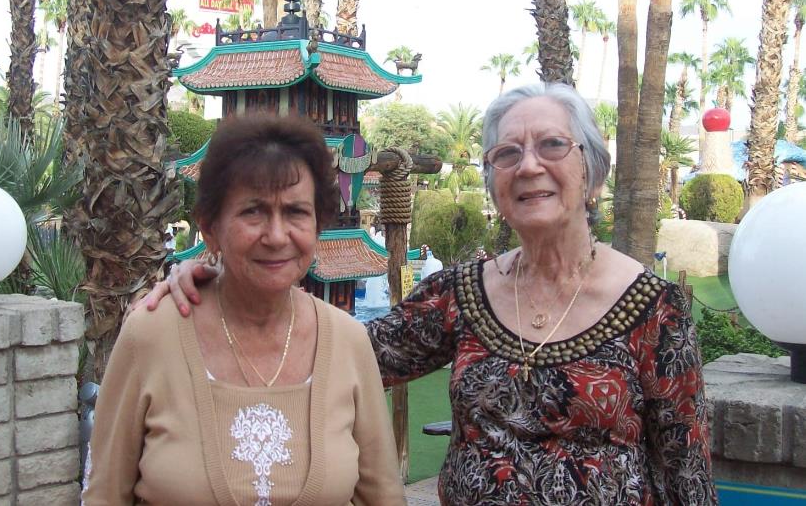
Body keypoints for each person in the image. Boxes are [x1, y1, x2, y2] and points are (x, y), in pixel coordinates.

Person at [150, 83, 717, 505]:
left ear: (591, 173)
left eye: (551, 145)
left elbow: (687, 477)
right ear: (494, 182)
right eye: (507, 154)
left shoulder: (655, 310)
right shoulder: (463, 294)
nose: (528, 166)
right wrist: (222, 277)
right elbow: (338, 351)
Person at [84, 115, 404, 505]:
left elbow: (383, 496)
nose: (276, 235)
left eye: (296, 212)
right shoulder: (151, 335)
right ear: (210, 228)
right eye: (253, 211)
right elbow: (104, 495)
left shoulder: (347, 341)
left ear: (318, 225)